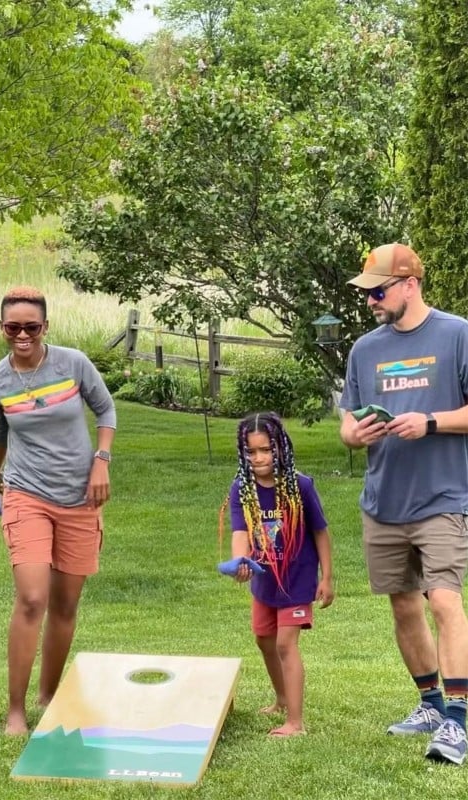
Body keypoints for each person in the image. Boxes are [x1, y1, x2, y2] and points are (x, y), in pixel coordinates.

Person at [339, 242, 468, 765]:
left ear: (410, 284)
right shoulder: (364, 350)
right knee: (403, 603)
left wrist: (431, 421)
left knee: (443, 600)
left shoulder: (457, 334)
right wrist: (354, 434)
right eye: (367, 292)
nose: (370, 299)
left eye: (379, 289)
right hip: (383, 500)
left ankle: (458, 721)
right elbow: (346, 421)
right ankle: (430, 704)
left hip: (444, 495)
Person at [0, 285, 116, 735]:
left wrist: (101, 462)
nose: (22, 335)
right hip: (26, 494)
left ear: (45, 327)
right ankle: (16, 710)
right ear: (2, 329)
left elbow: (106, 410)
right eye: (13, 327)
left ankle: (49, 695)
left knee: (65, 604)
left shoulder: (72, 363)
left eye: (31, 327)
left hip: (80, 497)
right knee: (33, 597)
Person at [224, 411, 334, 737]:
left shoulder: (300, 486)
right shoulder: (241, 489)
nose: (259, 458)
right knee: (263, 639)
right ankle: (282, 698)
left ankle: (295, 723)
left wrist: (327, 577)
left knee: (287, 643)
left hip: (297, 580)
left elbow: (321, 532)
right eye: (252, 451)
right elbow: (240, 531)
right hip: (264, 580)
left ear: (280, 448)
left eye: (265, 450)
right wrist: (239, 561)